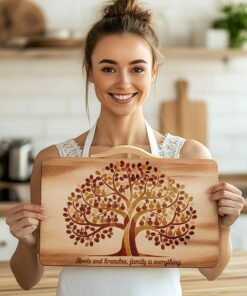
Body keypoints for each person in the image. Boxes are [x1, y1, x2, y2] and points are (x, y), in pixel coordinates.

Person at [6, 0, 244, 295]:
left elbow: (211, 270)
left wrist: (225, 227)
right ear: (90, 72)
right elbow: (27, 280)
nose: (123, 82)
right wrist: (26, 240)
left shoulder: (189, 159)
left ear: (153, 72)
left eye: (137, 68)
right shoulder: (55, 162)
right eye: (108, 68)